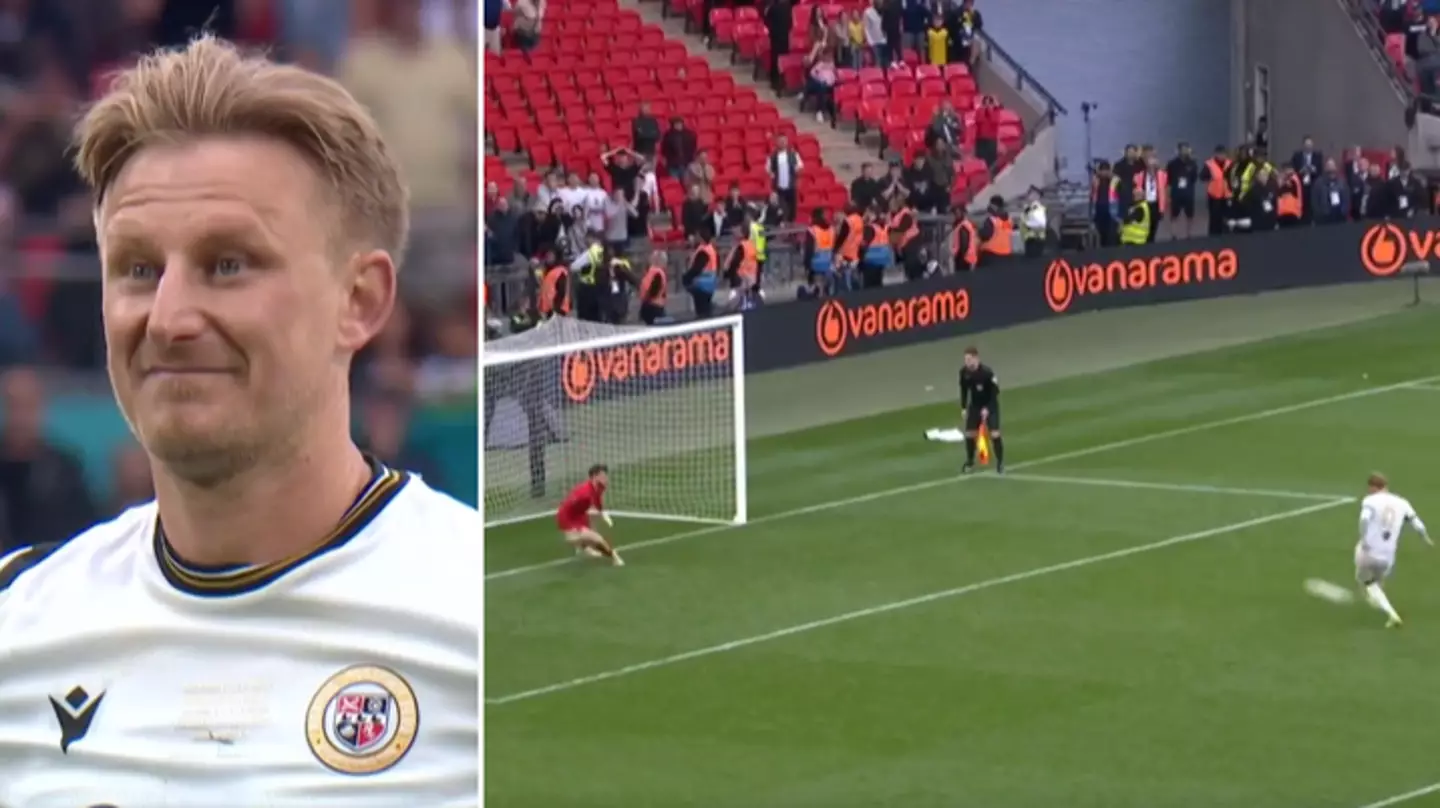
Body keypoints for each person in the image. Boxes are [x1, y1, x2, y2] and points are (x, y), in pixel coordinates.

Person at [0, 36, 479, 799]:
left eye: (228, 264)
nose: (168, 318)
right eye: (137, 269)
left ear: (359, 302)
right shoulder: (18, 627)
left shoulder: (486, 619)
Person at [1354, 473, 1431, 628]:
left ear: (1372, 487)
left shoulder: (1370, 501)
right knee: (1376, 579)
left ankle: (1390, 612)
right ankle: (1375, 594)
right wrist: (1426, 538)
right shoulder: (1402, 502)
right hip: (1388, 556)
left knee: (1365, 579)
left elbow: (1364, 519)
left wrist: (1364, 539)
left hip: (1369, 552)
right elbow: (1417, 524)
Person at [556, 464, 623, 566]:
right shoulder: (584, 493)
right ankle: (614, 556)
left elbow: (597, 500)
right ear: (594, 477)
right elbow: (569, 505)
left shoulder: (600, 487)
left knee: (590, 535)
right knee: (592, 538)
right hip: (568, 517)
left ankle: (583, 547)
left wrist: (602, 512)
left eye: (605, 475)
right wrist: (575, 528)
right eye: (603, 476)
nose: (606, 478)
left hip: (580, 514)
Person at [959, 346, 1002, 474]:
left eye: (969, 359)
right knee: (970, 434)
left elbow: (995, 393)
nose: (967, 362)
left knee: (994, 434)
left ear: (976, 359)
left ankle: (1000, 463)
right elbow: (964, 390)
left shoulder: (987, 373)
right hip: (975, 406)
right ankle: (970, 461)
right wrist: (964, 407)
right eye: (965, 359)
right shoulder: (964, 373)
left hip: (991, 405)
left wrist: (987, 409)